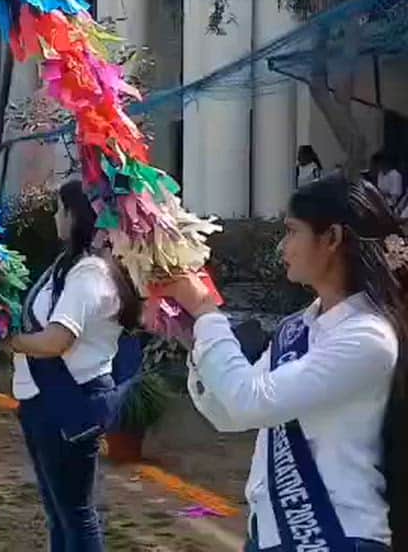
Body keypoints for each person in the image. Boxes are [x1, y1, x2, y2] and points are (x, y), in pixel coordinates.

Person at [165, 175, 406, 552]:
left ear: (331, 239)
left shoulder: (368, 337)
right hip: (272, 530)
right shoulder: (299, 326)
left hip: (333, 533)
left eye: (292, 232)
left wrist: (206, 310)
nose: (283, 247)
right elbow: (229, 414)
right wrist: (192, 334)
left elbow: (249, 401)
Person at [4, 179, 140, 551]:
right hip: (44, 401)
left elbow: (54, 341)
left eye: (59, 209)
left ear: (75, 215)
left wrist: (6, 341)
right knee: (59, 512)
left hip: (68, 403)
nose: (53, 216)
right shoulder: (69, 266)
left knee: (76, 514)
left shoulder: (89, 274)